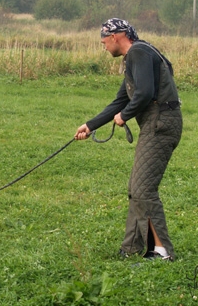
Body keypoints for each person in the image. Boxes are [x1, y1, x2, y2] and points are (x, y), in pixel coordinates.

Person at [74, 18, 182, 261]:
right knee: (136, 188)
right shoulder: (137, 57)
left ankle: (162, 251)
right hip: (157, 124)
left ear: (115, 37)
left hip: (161, 124)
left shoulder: (138, 52)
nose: (103, 46)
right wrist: (90, 126)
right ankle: (131, 247)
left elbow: (143, 94)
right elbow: (121, 99)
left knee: (144, 189)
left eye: (103, 41)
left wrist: (125, 116)